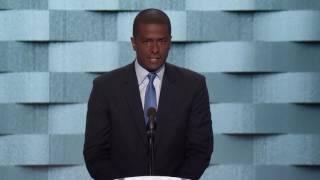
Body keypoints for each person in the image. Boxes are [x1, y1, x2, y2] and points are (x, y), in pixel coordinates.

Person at [83, 8, 213, 180]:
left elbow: (200, 149)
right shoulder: (105, 87)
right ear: (134, 43)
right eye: (147, 41)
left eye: (161, 41)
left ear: (170, 42)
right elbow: (95, 153)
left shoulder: (193, 85)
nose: (155, 49)